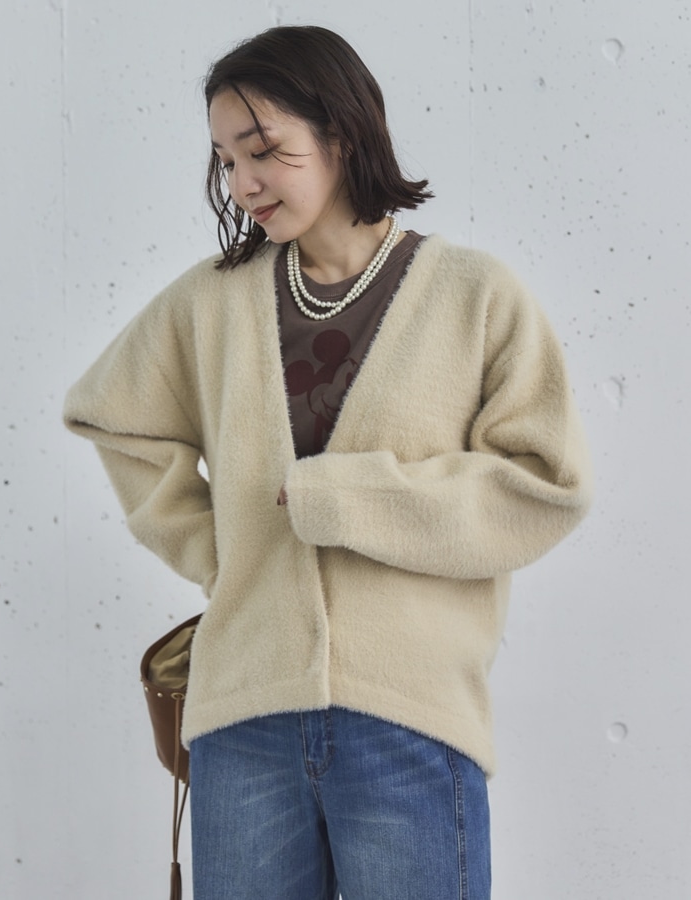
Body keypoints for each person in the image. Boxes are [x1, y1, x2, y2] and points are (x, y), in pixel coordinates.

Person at [64, 25, 592, 900]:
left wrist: (343, 498)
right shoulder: (212, 300)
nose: (243, 183)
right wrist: (223, 551)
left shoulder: (474, 295)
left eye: (263, 150)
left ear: (341, 134)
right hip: (243, 721)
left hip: (408, 719)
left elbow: (542, 487)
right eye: (226, 160)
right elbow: (114, 416)